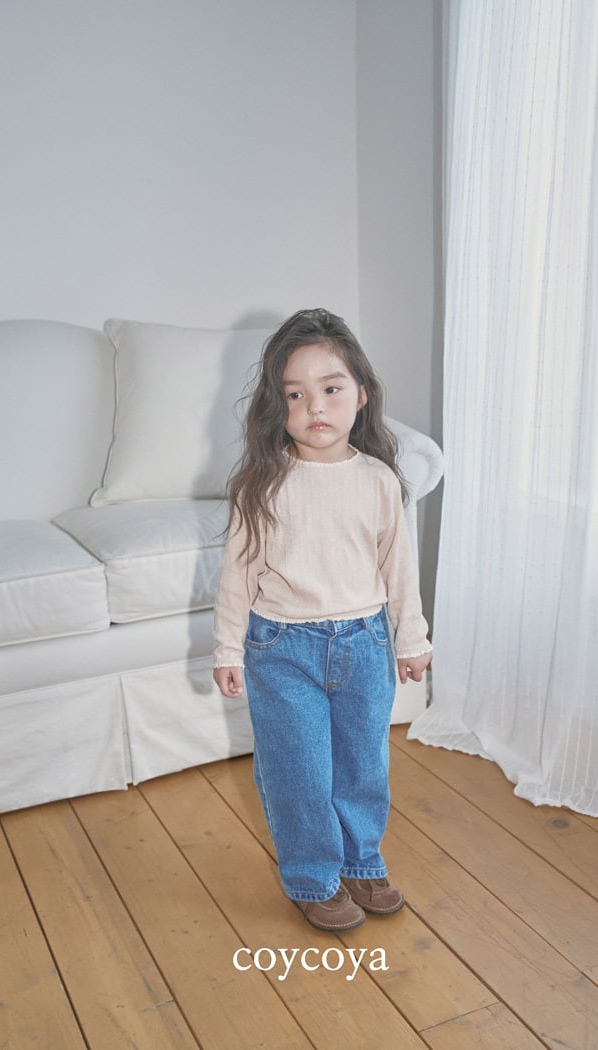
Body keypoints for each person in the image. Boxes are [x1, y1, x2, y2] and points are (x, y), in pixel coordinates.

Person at [213, 308, 432, 931]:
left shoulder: (380, 481)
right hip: (282, 649)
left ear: (361, 394)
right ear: (277, 406)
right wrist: (228, 649)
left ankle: (361, 863)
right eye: (295, 394)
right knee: (300, 772)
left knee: (364, 766)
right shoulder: (261, 485)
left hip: (364, 644)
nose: (315, 406)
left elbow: (398, 568)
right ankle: (313, 877)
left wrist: (411, 638)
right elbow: (236, 576)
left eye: (331, 388)